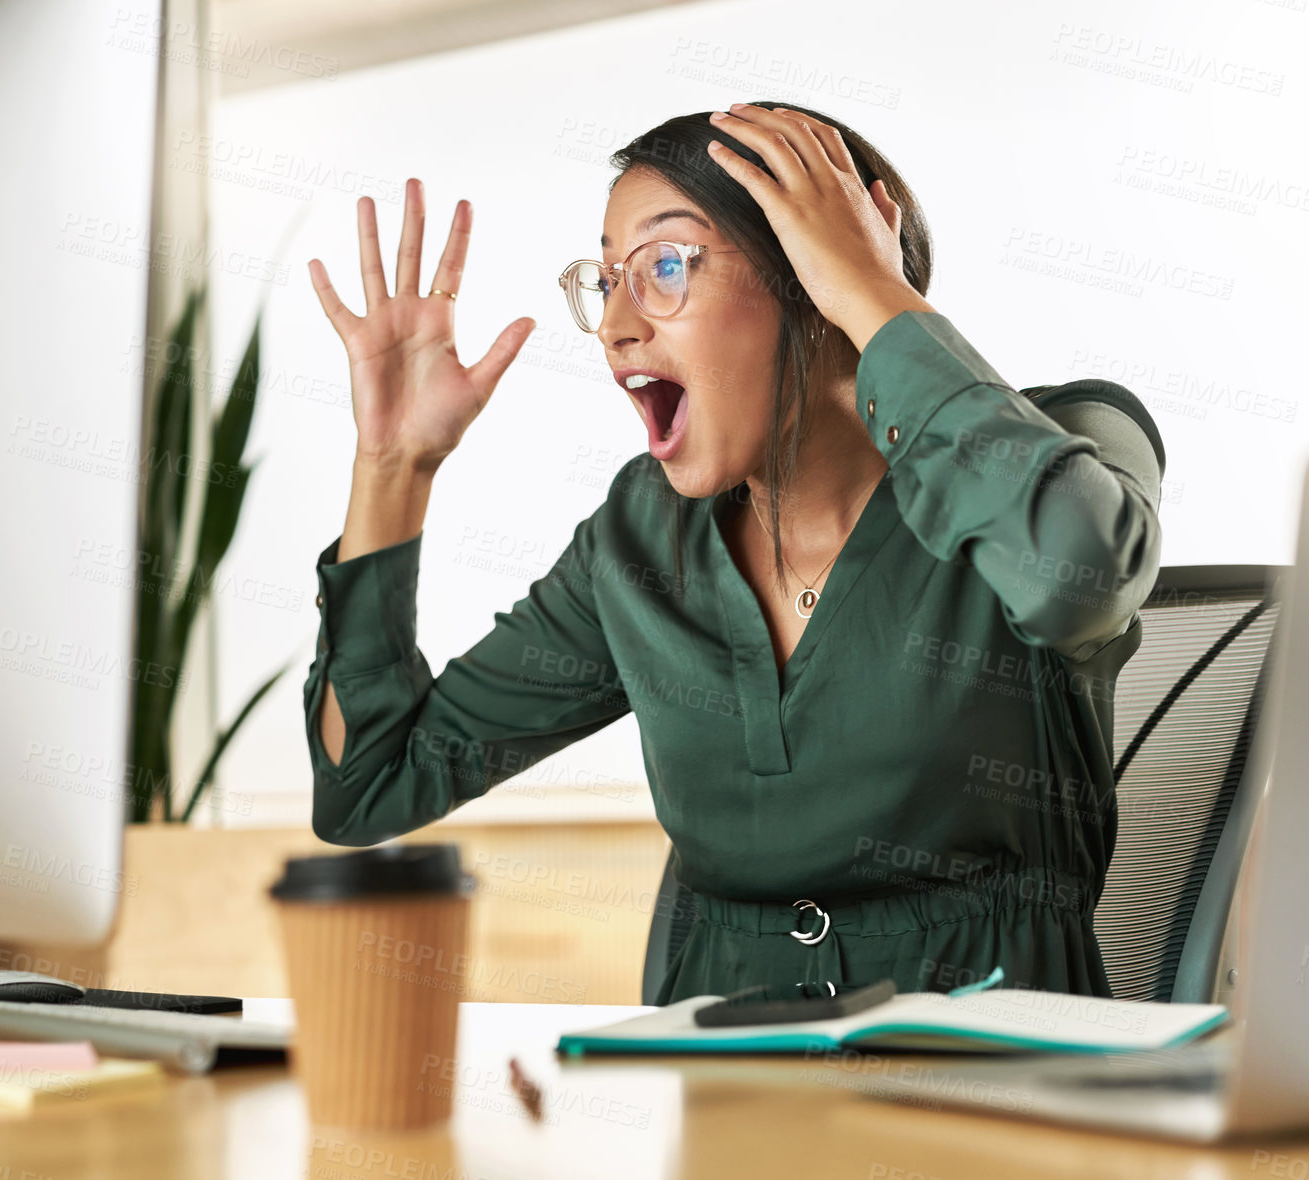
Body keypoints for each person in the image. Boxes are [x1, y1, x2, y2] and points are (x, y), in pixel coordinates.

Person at [301, 101, 1165, 1004]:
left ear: (819, 270)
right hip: (715, 1089)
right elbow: (368, 785)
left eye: (666, 266)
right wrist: (393, 468)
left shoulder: (1065, 437)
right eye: (606, 281)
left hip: (997, 1089)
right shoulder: (640, 541)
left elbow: (1079, 576)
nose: (615, 326)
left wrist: (873, 294)